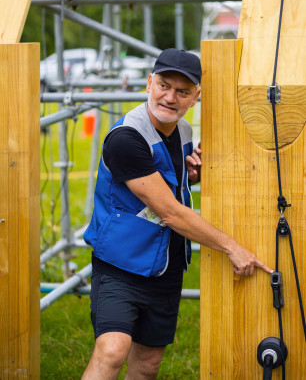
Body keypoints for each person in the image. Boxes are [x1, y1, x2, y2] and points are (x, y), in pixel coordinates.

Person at [82, 48, 272, 380]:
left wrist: (190, 175)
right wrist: (231, 246)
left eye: (182, 91)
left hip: (166, 265)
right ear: (149, 83)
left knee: (148, 363)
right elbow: (170, 212)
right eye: (164, 86)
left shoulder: (182, 131)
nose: (170, 97)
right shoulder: (126, 138)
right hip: (120, 264)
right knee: (111, 351)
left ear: (195, 98)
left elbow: (167, 182)